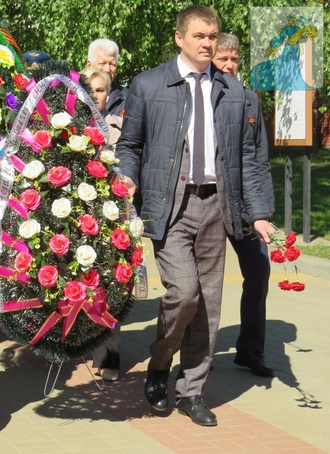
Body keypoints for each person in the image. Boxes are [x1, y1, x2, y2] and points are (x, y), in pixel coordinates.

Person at [115, 5, 274, 426]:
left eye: (213, 36)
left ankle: (191, 391)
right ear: (179, 38)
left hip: (216, 205)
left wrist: (258, 214)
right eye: (200, 36)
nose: (208, 43)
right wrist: (127, 179)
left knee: (209, 305)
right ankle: (159, 363)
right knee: (183, 294)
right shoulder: (149, 85)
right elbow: (129, 146)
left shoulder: (233, 92)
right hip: (170, 205)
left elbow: (250, 160)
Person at [213, 32, 276, 377]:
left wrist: (263, 212)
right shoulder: (202, 99)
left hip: (244, 206)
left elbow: (259, 160)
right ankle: (197, 356)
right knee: (202, 282)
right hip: (207, 202)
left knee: (259, 270)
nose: (229, 64)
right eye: (223, 58)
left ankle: (250, 349)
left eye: (234, 59)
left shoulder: (250, 99)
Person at [79, 67, 122, 381]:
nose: (94, 96)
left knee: (108, 283)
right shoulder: (65, 129)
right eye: (89, 89)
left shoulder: (120, 129)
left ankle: (108, 358)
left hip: (109, 216)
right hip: (74, 217)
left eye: (100, 90)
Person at [86, 38, 125, 116]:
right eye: (102, 63)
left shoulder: (128, 99)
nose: (107, 70)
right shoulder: (73, 94)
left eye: (112, 64)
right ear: (89, 65)